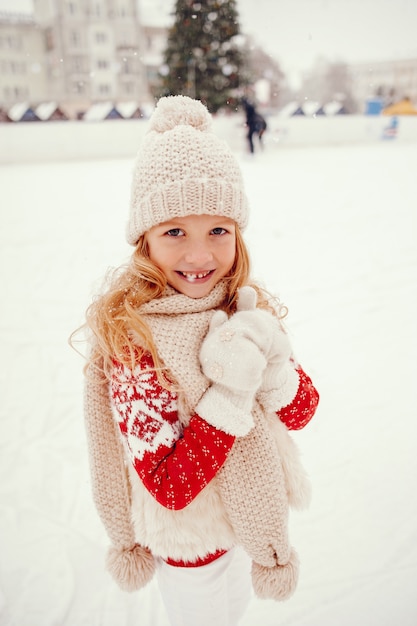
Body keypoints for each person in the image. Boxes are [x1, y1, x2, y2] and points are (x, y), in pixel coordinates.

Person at [80, 95, 319, 626]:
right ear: (144, 239)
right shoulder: (135, 342)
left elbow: (302, 411)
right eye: (174, 232)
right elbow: (169, 486)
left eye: (218, 230)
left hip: (253, 524)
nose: (199, 255)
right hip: (194, 550)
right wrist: (231, 394)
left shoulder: (243, 307)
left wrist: (274, 362)